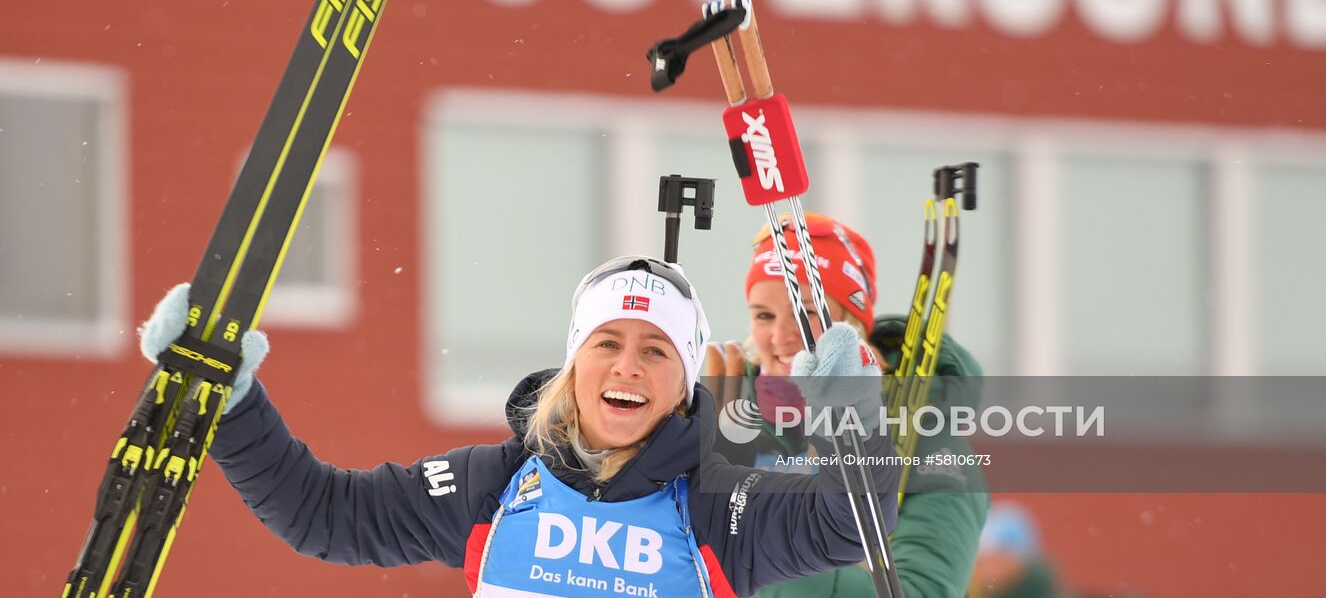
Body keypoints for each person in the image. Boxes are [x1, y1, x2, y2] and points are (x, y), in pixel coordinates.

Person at [138, 253, 899, 597]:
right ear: (575, 361)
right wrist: (230, 407)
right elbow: (322, 516)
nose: (627, 367)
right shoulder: (496, 486)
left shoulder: (716, 506)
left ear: (684, 384)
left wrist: (849, 418)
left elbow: (850, 525)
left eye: (656, 351)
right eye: (607, 344)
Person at [703, 213, 988, 598]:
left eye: (806, 313)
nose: (781, 335)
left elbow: (924, 590)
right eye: (764, 315)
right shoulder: (724, 418)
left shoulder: (930, 447)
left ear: (849, 322)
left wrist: (767, 553)